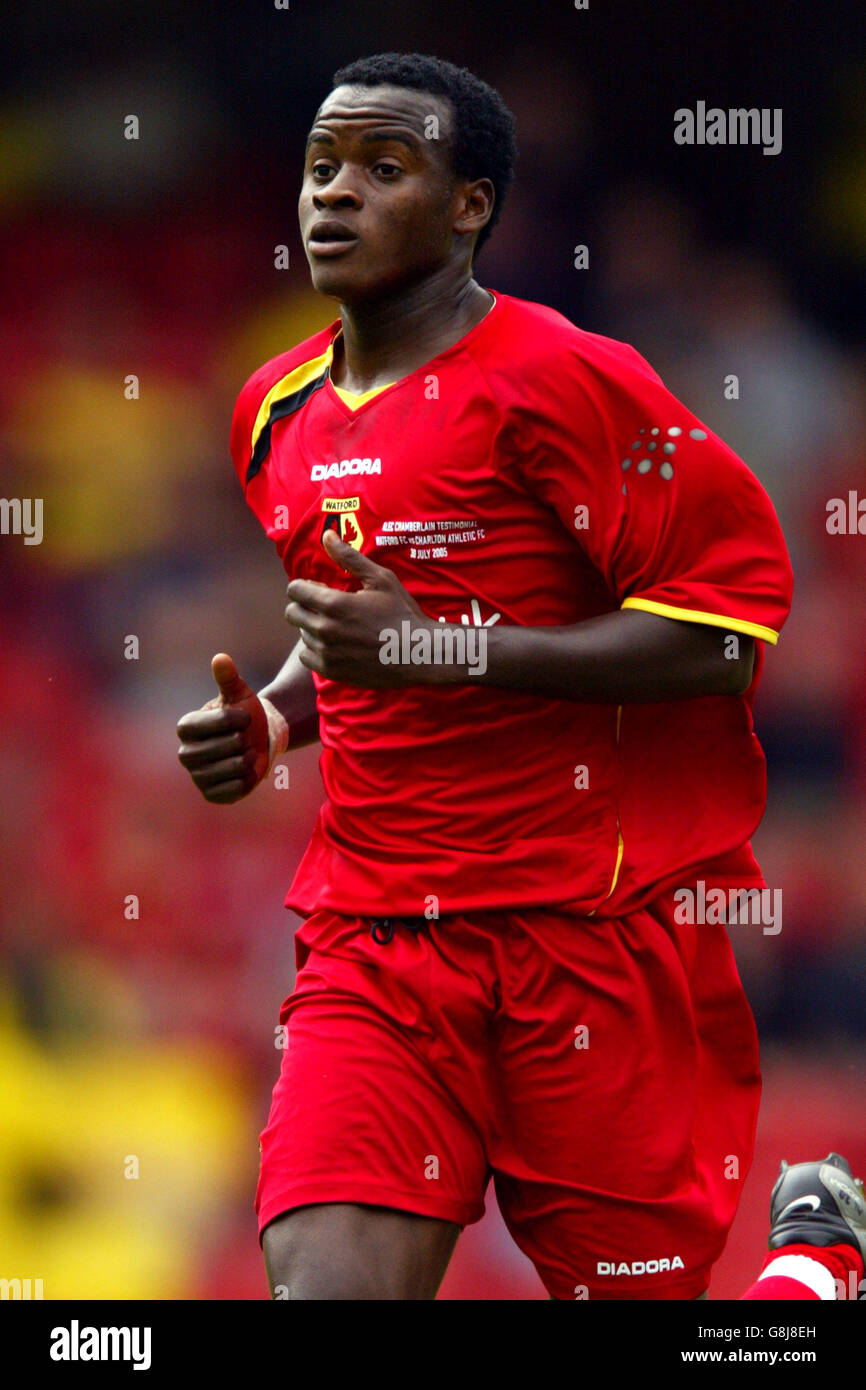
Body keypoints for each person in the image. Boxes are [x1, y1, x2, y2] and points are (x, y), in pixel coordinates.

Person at [177, 51, 794, 1300]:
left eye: (381, 169)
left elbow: (723, 637)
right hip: (376, 941)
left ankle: (813, 1272)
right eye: (319, 168)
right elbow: (349, 620)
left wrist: (447, 650)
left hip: (589, 937)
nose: (332, 196)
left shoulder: (570, 381)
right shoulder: (272, 411)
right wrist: (281, 720)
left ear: (470, 205)